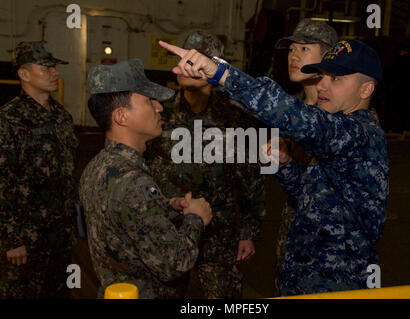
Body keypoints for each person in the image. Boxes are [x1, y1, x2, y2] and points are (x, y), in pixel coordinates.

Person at [158, 38, 389, 296]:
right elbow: (313, 199)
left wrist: (220, 73)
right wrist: (287, 165)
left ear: (366, 89)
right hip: (304, 279)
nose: (322, 84)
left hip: (335, 286)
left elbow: (291, 113)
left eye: (336, 79)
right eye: (322, 75)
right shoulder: (340, 136)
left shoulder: (359, 135)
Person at [145, 30, 266, 299]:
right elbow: (142, 168)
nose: (185, 66)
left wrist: (248, 231)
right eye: (183, 58)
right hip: (169, 232)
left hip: (218, 237)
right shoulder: (159, 110)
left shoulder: (234, 115)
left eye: (194, 60)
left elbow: (250, 177)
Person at [79, 58, 213, 299]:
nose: (159, 107)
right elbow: (174, 264)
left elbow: (127, 224)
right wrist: (196, 218)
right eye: (148, 101)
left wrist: (167, 205)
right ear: (122, 116)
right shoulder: (133, 181)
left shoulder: (98, 166)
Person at [0, 41, 78, 298]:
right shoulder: (8, 119)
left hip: (60, 239)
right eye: (46, 67)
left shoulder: (62, 117)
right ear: (24, 74)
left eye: (54, 67)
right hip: (26, 243)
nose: (54, 72)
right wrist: (12, 240)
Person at [272, 19, 337, 292]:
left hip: (331, 241)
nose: (294, 56)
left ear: (330, 57)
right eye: (291, 49)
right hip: (292, 229)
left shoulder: (344, 112)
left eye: (304, 49)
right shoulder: (293, 108)